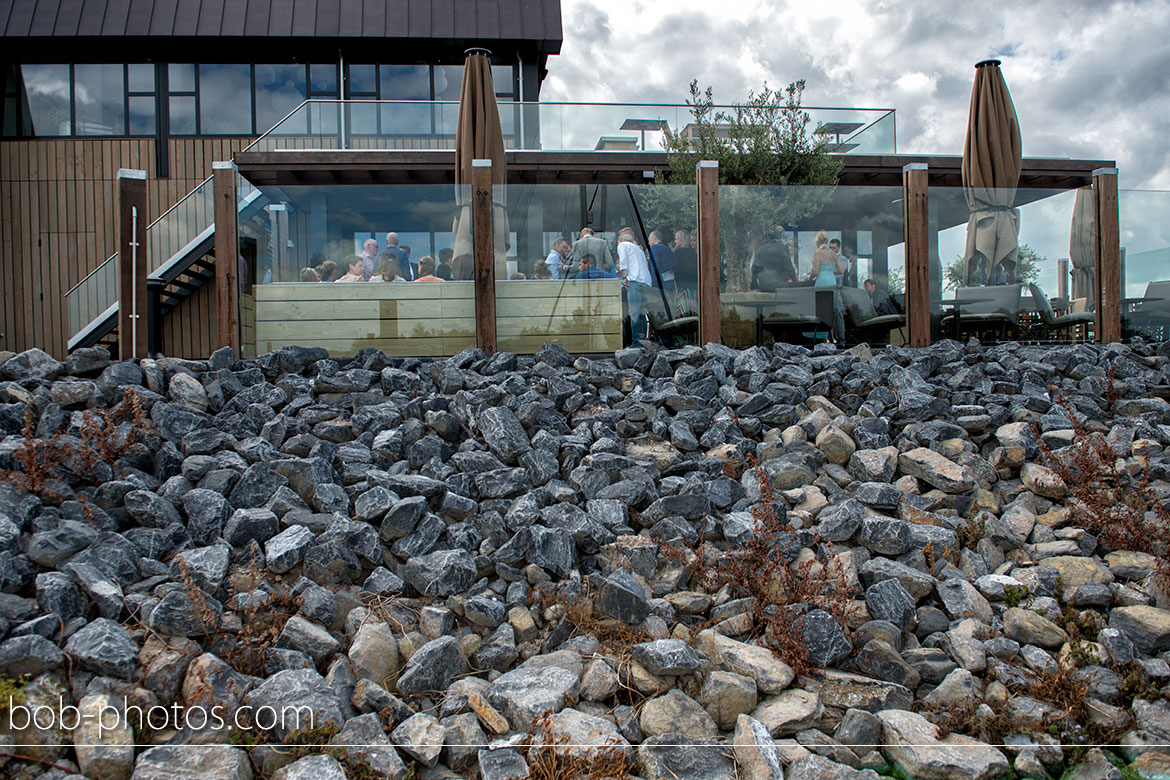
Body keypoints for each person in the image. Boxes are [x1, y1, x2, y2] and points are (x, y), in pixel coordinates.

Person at [615, 227, 653, 346]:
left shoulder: (622, 245)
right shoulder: (638, 249)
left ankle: (635, 342)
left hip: (635, 281)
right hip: (646, 282)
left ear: (620, 240)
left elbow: (624, 263)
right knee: (642, 313)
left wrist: (624, 278)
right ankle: (643, 340)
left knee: (634, 312)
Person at [807, 231, 846, 342]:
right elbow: (841, 270)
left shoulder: (818, 253)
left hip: (821, 283)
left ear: (817, 242)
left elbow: (815, 271)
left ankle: (822, 337)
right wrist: (830, 271)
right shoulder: (833, 254)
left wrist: (810, 277)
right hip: (832, 283)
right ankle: (840, 339)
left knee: (821, 311)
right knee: (834, 310)